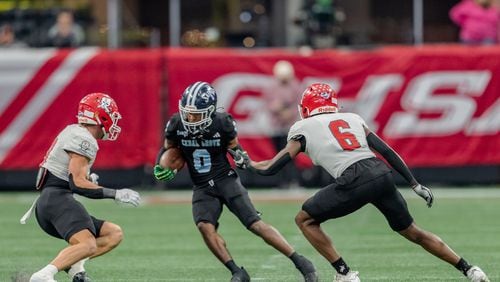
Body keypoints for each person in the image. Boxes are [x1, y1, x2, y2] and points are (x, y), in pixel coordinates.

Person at [230, 83, 490, 282]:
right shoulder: (353, 119)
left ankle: (344, 273)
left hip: (353, 177)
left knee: (304, 219)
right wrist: (414, 183)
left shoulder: (303, 127)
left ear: (306, 107)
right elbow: (387, 152)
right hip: (381, 173)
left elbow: (273, 167)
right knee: (413, 231)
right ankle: (470, 269)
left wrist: (249, 164)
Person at [153, 81, 318, 282]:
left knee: (255, 225)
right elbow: (167, 149)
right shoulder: (176, 124)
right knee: (205, 227)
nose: (190, 118)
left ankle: (301, 262)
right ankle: (236, 271)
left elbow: (235, 148)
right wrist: (160, 166)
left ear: (210, 112)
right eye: (187, 113)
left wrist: (240, 157)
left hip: (225, 180)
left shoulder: (222, 122)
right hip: (202, 186)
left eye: (196, 114)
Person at [27, 93, 141, 282]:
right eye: (111, 115)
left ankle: (74, 265)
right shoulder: (84, 139)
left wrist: (88, 177)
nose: (113, 121)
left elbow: (71, 174)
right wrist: (116, 194)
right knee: (88, 245)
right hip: (56, 200)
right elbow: (78, 183)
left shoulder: (75, 131)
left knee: (112, 234)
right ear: (101, 116)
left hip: (51, 201)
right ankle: (43, 275)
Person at [262, 60, 303, 188]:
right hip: (276, 126)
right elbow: (267, 104)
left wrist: (290, 113)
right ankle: (282, 181)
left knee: (291, 154)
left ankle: (294, 180)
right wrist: (277, 108)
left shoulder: (295, 85)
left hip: (291, 126)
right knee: (278, 155)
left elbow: (300, 103)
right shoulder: (271, 86)